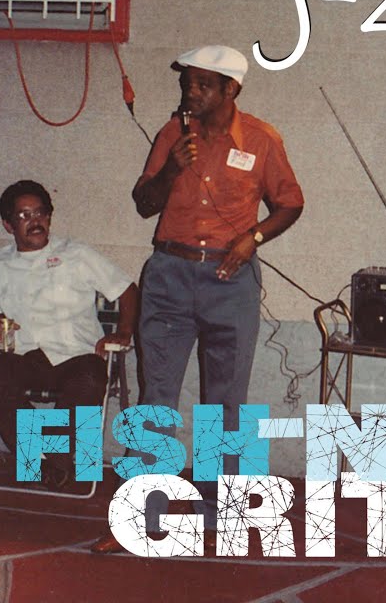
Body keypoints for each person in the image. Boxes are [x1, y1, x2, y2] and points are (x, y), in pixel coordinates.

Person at [91, 45, 304, 554]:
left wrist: (252, 238)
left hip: (231, 280)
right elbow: (144, 204)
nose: (191, 92)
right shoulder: (172, 134)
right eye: (187, 82)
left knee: (225, 404)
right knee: (156, 398)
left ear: (231, 89)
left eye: (203, 84)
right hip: (169, 275)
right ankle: (140, 518)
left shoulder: (261, 139)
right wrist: (171, 170)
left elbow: (291, 203)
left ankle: (219, 517)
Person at [0, 180, 139, 490]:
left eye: (40, 213)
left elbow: (127, 290)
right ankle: (52, 461)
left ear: (49, 217)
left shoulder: (76, 254)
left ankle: (46, 462)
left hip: (78, 356)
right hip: (24, 357)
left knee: (90, 382)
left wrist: (124, 331)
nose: (35, 221)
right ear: (8, 225)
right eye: (24, 216)